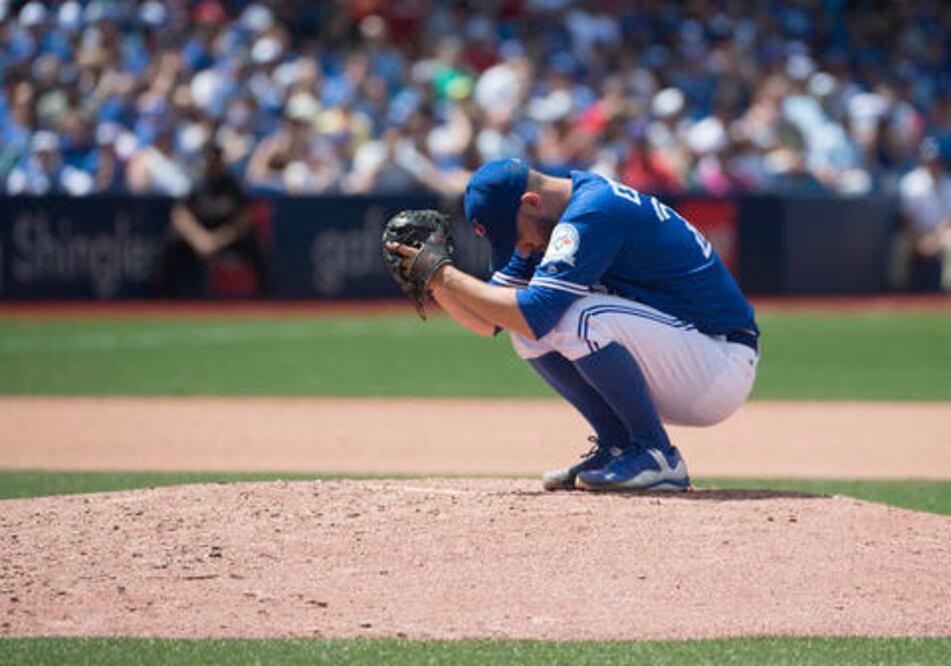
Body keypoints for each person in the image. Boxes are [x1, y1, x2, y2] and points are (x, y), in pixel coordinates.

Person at [387, 158, 759, 491]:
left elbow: (534, 313)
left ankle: (657, 454)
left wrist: (446, 275)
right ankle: (618, 446)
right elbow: (493, 321)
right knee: (529, 331)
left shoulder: (594, 211)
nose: (523, 248)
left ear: (531, 202)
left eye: (516, 237)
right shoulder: (548, 221)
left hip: (719, 358)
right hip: (683, 357)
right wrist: (436, 282)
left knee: (574, 318)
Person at [157, 145, 268, 297]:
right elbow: (179, 215)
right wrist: (199, 238)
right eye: (209, 161)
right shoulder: (196, 184)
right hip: (199, 236)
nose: (212, 165)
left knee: (255, 244)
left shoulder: (231, 184)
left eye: (216, 161)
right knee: (172, 242)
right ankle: (165, 297)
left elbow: (246, 216)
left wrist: (221, 238)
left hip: (228, 235)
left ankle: (266, 298)